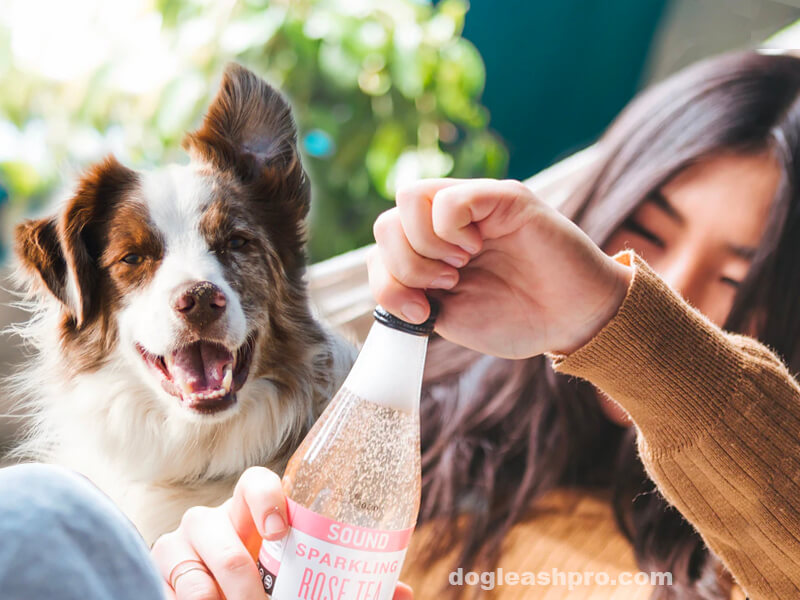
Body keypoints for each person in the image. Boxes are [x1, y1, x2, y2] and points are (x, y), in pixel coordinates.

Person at [2, 49, 799, 600]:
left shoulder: (747, 562)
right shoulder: (381, 429)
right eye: (645, 240)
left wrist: (619, 325)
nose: (673, 290)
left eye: (738, 278)